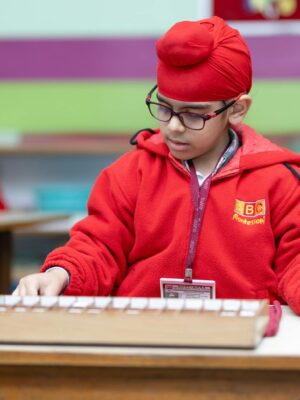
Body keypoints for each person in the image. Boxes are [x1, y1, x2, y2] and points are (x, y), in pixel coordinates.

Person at [13, 16, 300, 314]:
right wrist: (60, 274)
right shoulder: (130, 173)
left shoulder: (281, 181)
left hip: (247, 342)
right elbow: (99, 247)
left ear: (237, 109)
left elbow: (296, 261)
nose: (174, 127)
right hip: (142, 336)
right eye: (164, 108)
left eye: (193, 115)